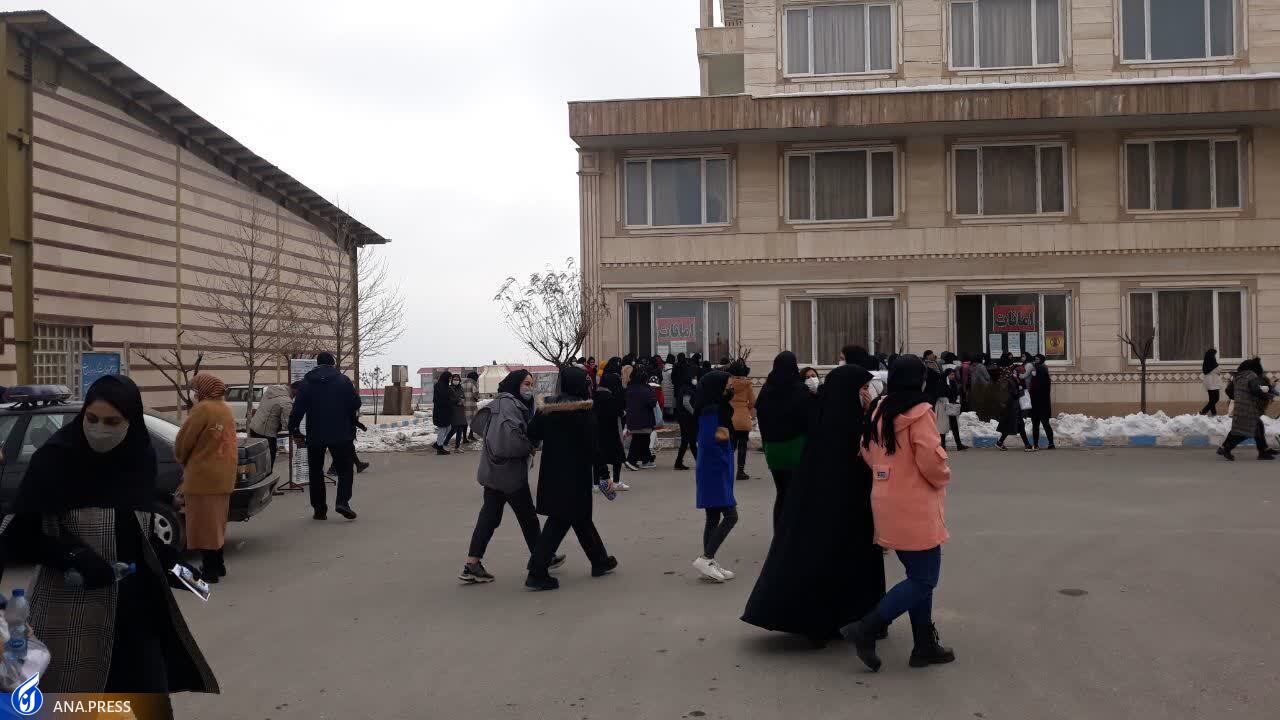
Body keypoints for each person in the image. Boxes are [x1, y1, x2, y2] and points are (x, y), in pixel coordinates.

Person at [0, 375, 218, 699]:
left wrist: (172, 564)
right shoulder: (55, 458)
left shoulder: (140, 458)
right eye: (92, 418)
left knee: (146, 700)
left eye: (112, 422)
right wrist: (74, 557)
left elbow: (139, 529)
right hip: (72, 608)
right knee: (79, 703)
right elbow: (19, 535)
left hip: (135, 609)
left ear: (130, 422)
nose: (99, 429)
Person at [742, 363, 885, 647]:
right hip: (841, 514)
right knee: (835, 564)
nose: (866, 394)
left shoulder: (828, 417)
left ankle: (838, 620)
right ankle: (834, 621)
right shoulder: (844, 424)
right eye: (862, 389)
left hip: (835, 511)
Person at [841, 355, 955, 672]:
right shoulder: (920, 412)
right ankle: (866, 628)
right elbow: (931, 460)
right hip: (915, 505)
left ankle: (924, 645)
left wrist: (887, 471)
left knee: (917, 576)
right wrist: (943, 477)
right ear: (919, 379)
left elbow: (866, 450)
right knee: (924, 578)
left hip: (885, 500)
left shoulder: (880, 408)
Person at [460, 370, 563, 584]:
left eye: (531, 384)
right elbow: (508, 442)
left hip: (494, 472)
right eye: (526, 384)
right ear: (516, 384)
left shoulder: (505, 403)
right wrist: (529, 446)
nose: (529, 388)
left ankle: (472, 564)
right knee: (528, 518)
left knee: (490, 518)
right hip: (508, 474)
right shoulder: (508, 406)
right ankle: (542, 558)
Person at [525, 367, 618, 591]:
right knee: (559, 521)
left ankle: (600, 560)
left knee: (581, 518)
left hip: (552, 473)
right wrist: (604, 475)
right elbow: (593, 447)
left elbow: (532, 433)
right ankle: (536, 572)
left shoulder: (548, 408)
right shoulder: (583, 410)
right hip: (576, 476)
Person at [174, 373, 237, 582]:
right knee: (216, 523)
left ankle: (210, 570)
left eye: (195, 389)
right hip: (224, 475)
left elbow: (184, 441)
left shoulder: (203, 409)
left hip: (203, 476)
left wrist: (181, 457)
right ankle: (218, 564)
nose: (193, 393)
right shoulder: (225, 408)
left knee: (202, 525)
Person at [289, 351, 362, 520]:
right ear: (333, 364)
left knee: (315, 472)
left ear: (317, 364)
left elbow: (297, 409)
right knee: (345, 469)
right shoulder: (343, 380)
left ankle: (319, 510)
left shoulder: (307, 382)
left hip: (315, 434)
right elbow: (355, 403)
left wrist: (294, 429)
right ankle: (342, 502)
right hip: (341, 433)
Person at [754, 351, 812, 531]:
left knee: (781, 493)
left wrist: (766, 444)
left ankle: (778, 534)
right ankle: (793, 535)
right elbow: (808, 419)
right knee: (796, 494)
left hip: (773, 450)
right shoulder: (800, 389)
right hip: (796, 447)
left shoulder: (766, 389)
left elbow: (760, 418)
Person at [692, 370, 738, 583]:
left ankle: (708, 561)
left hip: (713, 468)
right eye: (727, 385)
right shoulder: (711, 410)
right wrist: (724, 462)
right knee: (731, 516)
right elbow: (710, 442)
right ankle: (706, 558)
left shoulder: (713, 406)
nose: (730, 388)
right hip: (715, 469)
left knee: (713, 516)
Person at [1218, 358, 1277, 461]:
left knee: (1258, 426)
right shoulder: (1251, 376)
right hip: (1249, 408)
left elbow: (1229, 390)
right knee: (1244, 432)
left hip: (1241, 407)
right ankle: (1226, 449)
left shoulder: (1238, 377)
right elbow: (1255, 390)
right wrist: (1266, 395)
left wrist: (1239, 397)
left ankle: (1263, 450)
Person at [594, 372, 630, 491]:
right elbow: (619, 412)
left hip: (597, 431)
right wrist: (623, 412)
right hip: (611, 431)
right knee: (617, 457)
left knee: (598, 458)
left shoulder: (595, 396)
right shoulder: (611, 397)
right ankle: (616, 482)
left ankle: (596, 484)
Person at [248, 382, 294, 469]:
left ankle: (258, 476)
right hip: (266, 433)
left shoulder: (272, 390)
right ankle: (267, 475)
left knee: (257, 459)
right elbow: (287, 423)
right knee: (268, 462)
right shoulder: (286, 401)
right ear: (296, 391)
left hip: (254, 427)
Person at [727, 359, 756, 480]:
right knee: (742, 445)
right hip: (743, 417)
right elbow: (753, 402)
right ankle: (740, 471)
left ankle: (727, 469)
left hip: (730, 418)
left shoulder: (728, 384)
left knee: (730, 446)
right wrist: (746, 408)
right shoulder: (747, 385)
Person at [624, 369, 658, 470]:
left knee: (643, 440)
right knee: (638, 440)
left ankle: (646, 460)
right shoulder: (645, 390)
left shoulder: (629, 388)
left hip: (632, 418)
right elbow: (652, 402)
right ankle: (631, 460)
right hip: (644, 419)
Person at [996, 365, 1033, 451]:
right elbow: (1014, 394)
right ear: (1016, 372)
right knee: (1015, 425)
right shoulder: (1011, 381)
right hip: (1012, 408)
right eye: (1021, 373)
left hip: (1014, 407)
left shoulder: (1016, 380)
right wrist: (1021, 391)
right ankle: (1027, 445)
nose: (1023, 375)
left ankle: (1000, 442)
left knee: (1014, 425)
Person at [1029, 354, 1055, 449]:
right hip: (1041, 403)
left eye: (1037, 359)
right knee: (1042, 424)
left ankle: (1037, 444)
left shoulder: (1040, 370)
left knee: (1038, 424)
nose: (1035, 361)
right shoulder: (1042, 371)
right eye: (1035, 359)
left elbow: (1036, 386)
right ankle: (1050, 443)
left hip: (1039, 403)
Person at [938, 367, 967, 451]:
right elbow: (940, 394)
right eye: (951, 374)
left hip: (952, 407)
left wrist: (957, 399)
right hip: (943, 407)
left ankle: (959, 444)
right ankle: (943, 445)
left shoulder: (953, 383)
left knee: (954, 426)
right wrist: (946, 401)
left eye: (954, 374)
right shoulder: (941, 383)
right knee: (943, 426)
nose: (953, 376)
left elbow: (956, 393)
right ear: (947, 375)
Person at [431, 371, 456, 456]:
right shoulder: (439, 386)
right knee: (442, 429)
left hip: (445, 411)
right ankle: (440, 448)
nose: (450, 380)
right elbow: (443, 399)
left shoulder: (445, 386)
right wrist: (452, 401)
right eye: (449, 378)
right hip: (441, 411)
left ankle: (438, 443)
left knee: (448, 428)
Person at [1201, 349, 1223, 416]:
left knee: (1212, 399)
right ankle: (1203, 412)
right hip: (1214, 383)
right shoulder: (1213, 362)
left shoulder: (1206, 362)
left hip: (1209, 383)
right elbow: (1219, 370)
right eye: (1214, 355)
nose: (1215, 356)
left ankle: (1214, 413)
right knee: (1216, 399)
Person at [462, 371, 481, 442]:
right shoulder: (473, 383)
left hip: (463, 405)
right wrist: (477, 398)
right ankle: (470, 434)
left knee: (464, 422)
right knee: (473, 420)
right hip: (471, 405)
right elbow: (475, 394)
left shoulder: (462, 383)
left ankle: (464, 437)